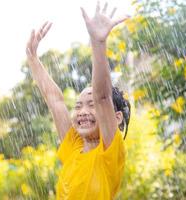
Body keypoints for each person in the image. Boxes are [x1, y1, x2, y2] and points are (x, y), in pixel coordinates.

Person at [25, 2, 131, 199]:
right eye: (78, 106)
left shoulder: (108, 153)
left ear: (115, 118)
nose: (82, 111)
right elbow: (55, 100)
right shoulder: (74, 146)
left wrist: (98, 43)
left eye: (91, 105)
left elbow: (102, 96)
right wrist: (32, 58)